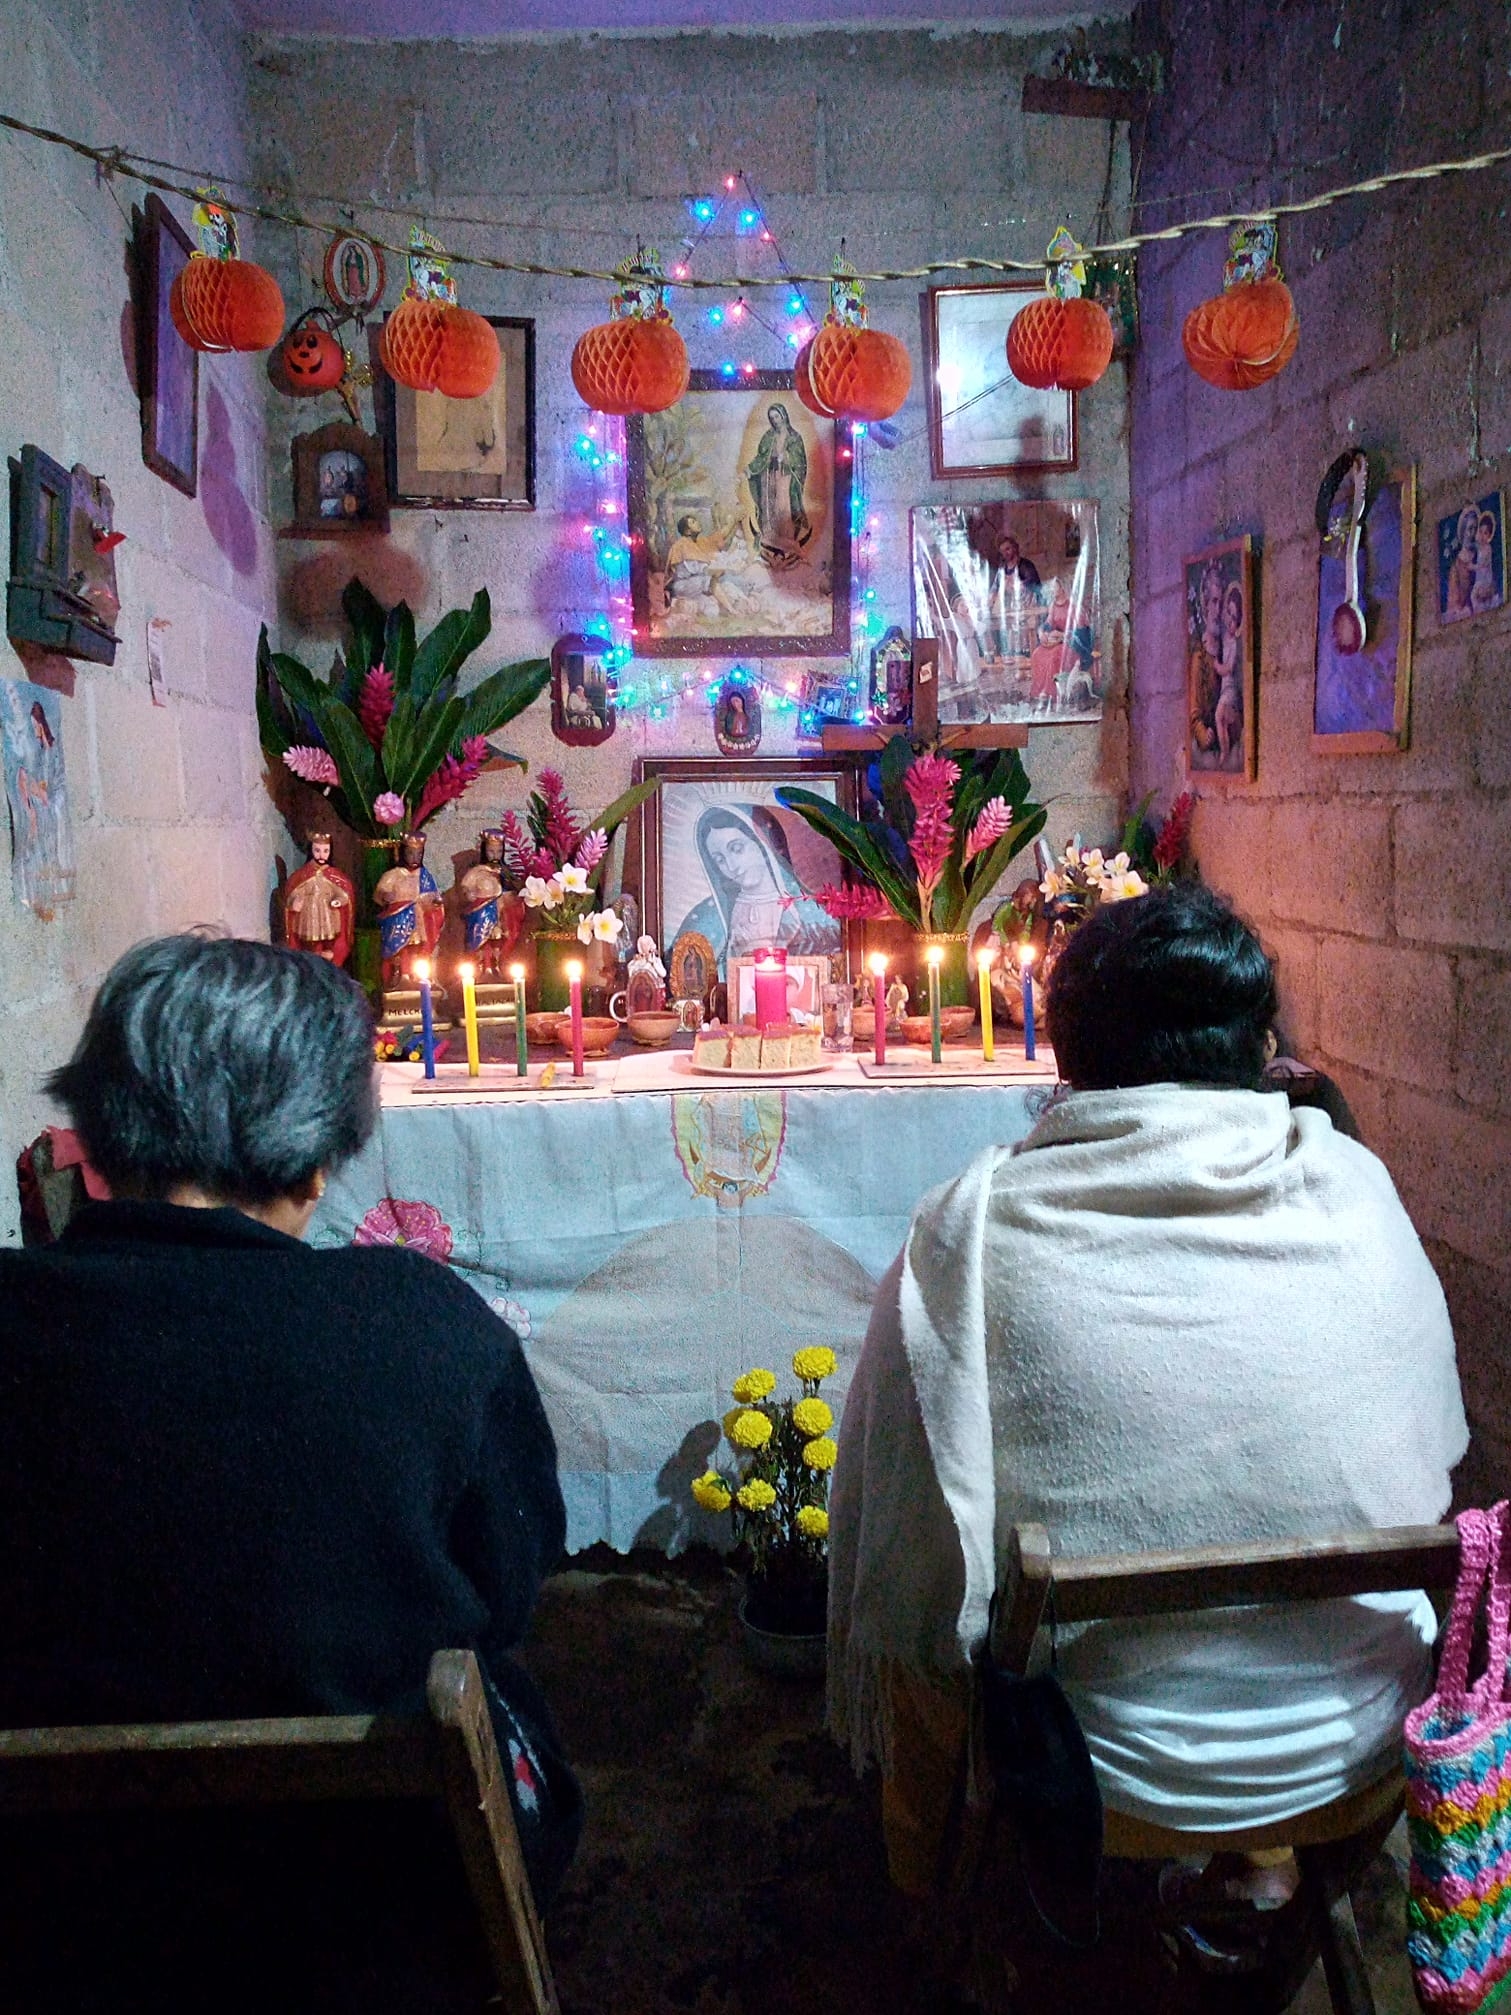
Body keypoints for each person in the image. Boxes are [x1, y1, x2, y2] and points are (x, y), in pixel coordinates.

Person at [829, 884, 1466, 1905]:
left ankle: (932, 1904)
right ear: (1259, 1047)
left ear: (1065, 1055)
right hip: (1361, 1738)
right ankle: (1262, 1865)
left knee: (915, 1612)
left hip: (1099, 1769)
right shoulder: (1355, 1187)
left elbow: (910, 1553)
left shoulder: (968, 1231)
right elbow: (1437, 1443)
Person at [0, 935, 581, 1990]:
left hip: (45, 1911)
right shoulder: (423, 1326)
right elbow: (505, 1592)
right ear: (318, 1160)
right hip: (373, 1906)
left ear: (96, 1130)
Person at [674, 803, 839, 972]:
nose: (731, 866)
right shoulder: (708, 917)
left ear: (763, 843)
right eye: (720, 860)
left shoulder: (809, 908)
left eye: (737, 849)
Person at [283, 829, 356, 966]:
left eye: (325, 851)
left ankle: (329, 958)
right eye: (317, 850)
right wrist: (294, 902)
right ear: (311, 851)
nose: (321, 855)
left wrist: (339, 900)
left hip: (328, 915)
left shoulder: (335, 876)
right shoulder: (302, 875)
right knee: (310, 942)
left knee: (329, 940)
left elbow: (344, 893)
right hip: (309, 915)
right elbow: (293, 892)